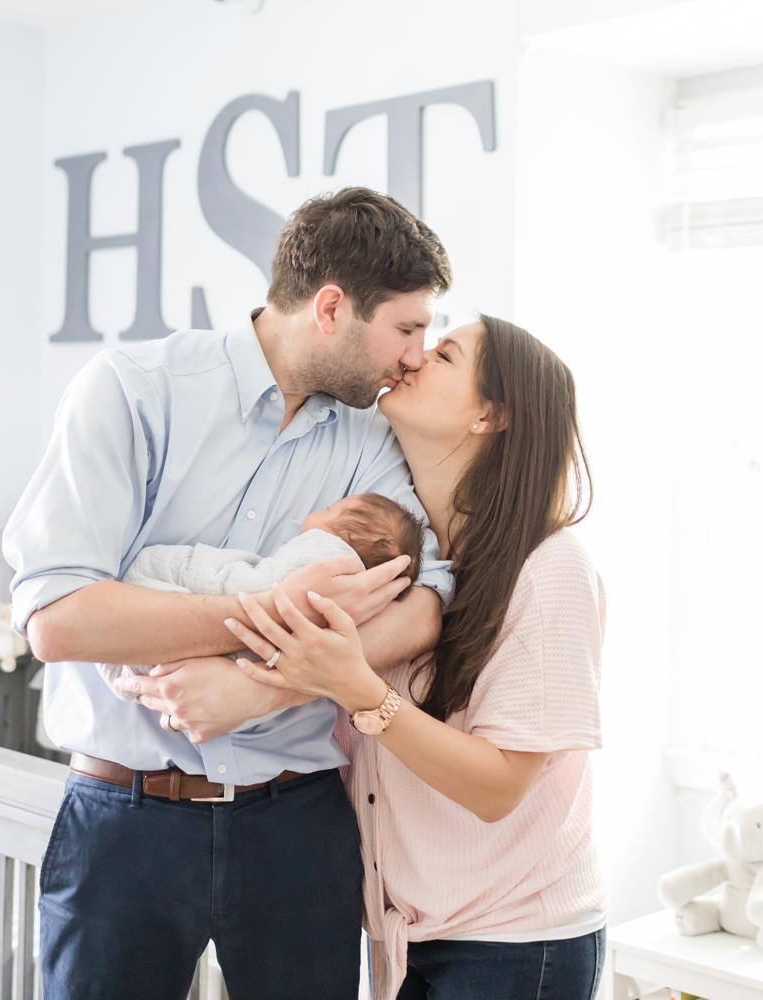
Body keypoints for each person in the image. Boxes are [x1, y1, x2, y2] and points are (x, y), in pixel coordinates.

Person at [3, 187, 455, 1000]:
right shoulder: (131, 390)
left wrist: (257, 684)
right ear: (331, 307)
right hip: (123, 819)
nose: (417, 355)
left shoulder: (377, 441)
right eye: (408, 328)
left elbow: (424, 608)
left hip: (299, 823)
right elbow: (60, 621)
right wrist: (260, 621)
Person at [200, 316, 609, 1000]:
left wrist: (361, 691)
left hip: (515, 946)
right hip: (411, 939)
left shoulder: (549, 567)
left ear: (491, 415)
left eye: (444, 353)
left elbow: (499, 787)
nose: (415, 358)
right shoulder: (416, 565)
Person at [100, 492, 425, 708]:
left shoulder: (324, 550)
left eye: (330, 509)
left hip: (185, 606)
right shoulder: (365, 601)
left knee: (156, 579)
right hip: (227, 672)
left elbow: (255, 585)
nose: (322, 509)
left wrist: (194, 566)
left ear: (345, 537)